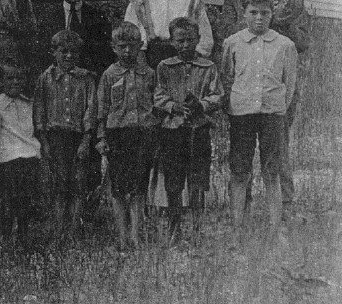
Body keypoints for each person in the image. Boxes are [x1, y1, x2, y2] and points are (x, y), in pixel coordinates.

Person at [218, 0, 309, 211]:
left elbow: (303, 42)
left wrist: (284, 18)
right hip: (245, 87)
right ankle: (241, 209)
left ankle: (283, 209)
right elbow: (225, 35)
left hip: (275, 85)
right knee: (241, 152)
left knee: (278, 148)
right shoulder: (235, 0)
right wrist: (256, 18)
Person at [221, 0, 298, 231]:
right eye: (253, 12)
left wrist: (278, 107)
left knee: (272, 169)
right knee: (240, 169)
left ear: (272, 14)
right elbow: (226, 77)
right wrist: (235, 104)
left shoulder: (285, 45)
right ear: (244, 13)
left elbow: (290, 83)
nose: (259, 18)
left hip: (272, 114)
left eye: (265, 13)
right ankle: (238, 225)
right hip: (241, 114)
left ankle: (274, 226)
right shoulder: (232, 43)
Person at [154, 18, 224, 238]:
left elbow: (217, 95)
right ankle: (174, 227)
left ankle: (196, 228)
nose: (185, 45)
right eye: (180, 40)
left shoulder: (208, 67)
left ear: (198, 39)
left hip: (198, 129)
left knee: (198, 180)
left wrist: (201, 105)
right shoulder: (164, 67)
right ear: (172, 41)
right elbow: (158, 95)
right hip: (172, 130)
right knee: (174, 181)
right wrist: (173, 106)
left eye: (190, 40)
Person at [96, 22, 158, 251]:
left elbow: (157, 105)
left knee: (139, 186)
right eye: (122, 46)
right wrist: (101, 137)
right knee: (119, 188)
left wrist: (156, 135)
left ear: (140, 45)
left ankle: (136, 236)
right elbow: (101, 109)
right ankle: (122, 237)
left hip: (143, 133)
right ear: (114, 47)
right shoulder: (109, 75)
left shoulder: (149, 74)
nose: (127, 51)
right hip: (118, 134)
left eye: (132, 46)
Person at [33, 29, 97, 240]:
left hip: (78, 138)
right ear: (54, 52)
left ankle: (74, 229)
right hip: (55, 138)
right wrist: (44, 141)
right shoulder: (46, 78)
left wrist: (86, 140)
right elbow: (39, 110)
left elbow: (91, 110)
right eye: (64, 51)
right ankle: (58, 229)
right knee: (59, 184)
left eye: (74, 52)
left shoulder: (86, 79)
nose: (69, 56)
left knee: (79, 183)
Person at [0, 59, 41, 251]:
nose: (16, 82)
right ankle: (6, 235)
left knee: (25, 199)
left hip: (28, 156)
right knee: (8, 200)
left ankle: (23, 235)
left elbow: (33, 131)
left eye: (20, 78)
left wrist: (38, 152)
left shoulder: (29, 103)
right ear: (1, 82)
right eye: (10, 78)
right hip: (8, 159)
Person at [41, 0, 113, 77]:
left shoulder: (97, 17)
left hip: (87, 76)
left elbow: (105, 53)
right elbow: (43, 53)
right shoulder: (48, 18)